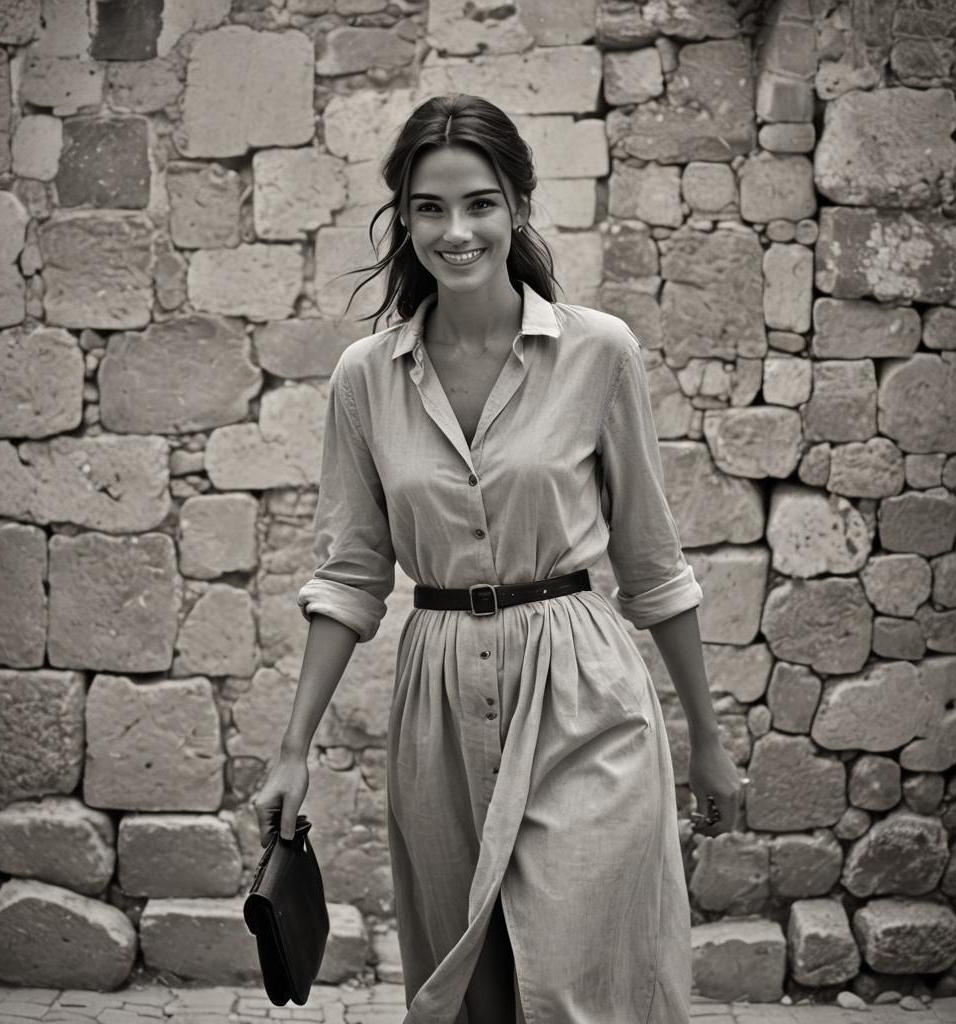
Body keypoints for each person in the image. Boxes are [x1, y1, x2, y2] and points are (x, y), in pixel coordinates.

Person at [251, 93, 745, 1024]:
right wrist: (293, 749)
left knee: (571, 980)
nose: (456, 229)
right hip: (437, 697)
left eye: (479, 202)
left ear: (517, 205)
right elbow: (353, 575)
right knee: (472, 988)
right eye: (430, 207)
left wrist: (708, 744)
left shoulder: (599, 353)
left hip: (582, 689)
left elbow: (651, 564)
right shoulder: (366, 377)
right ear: (403, 216)